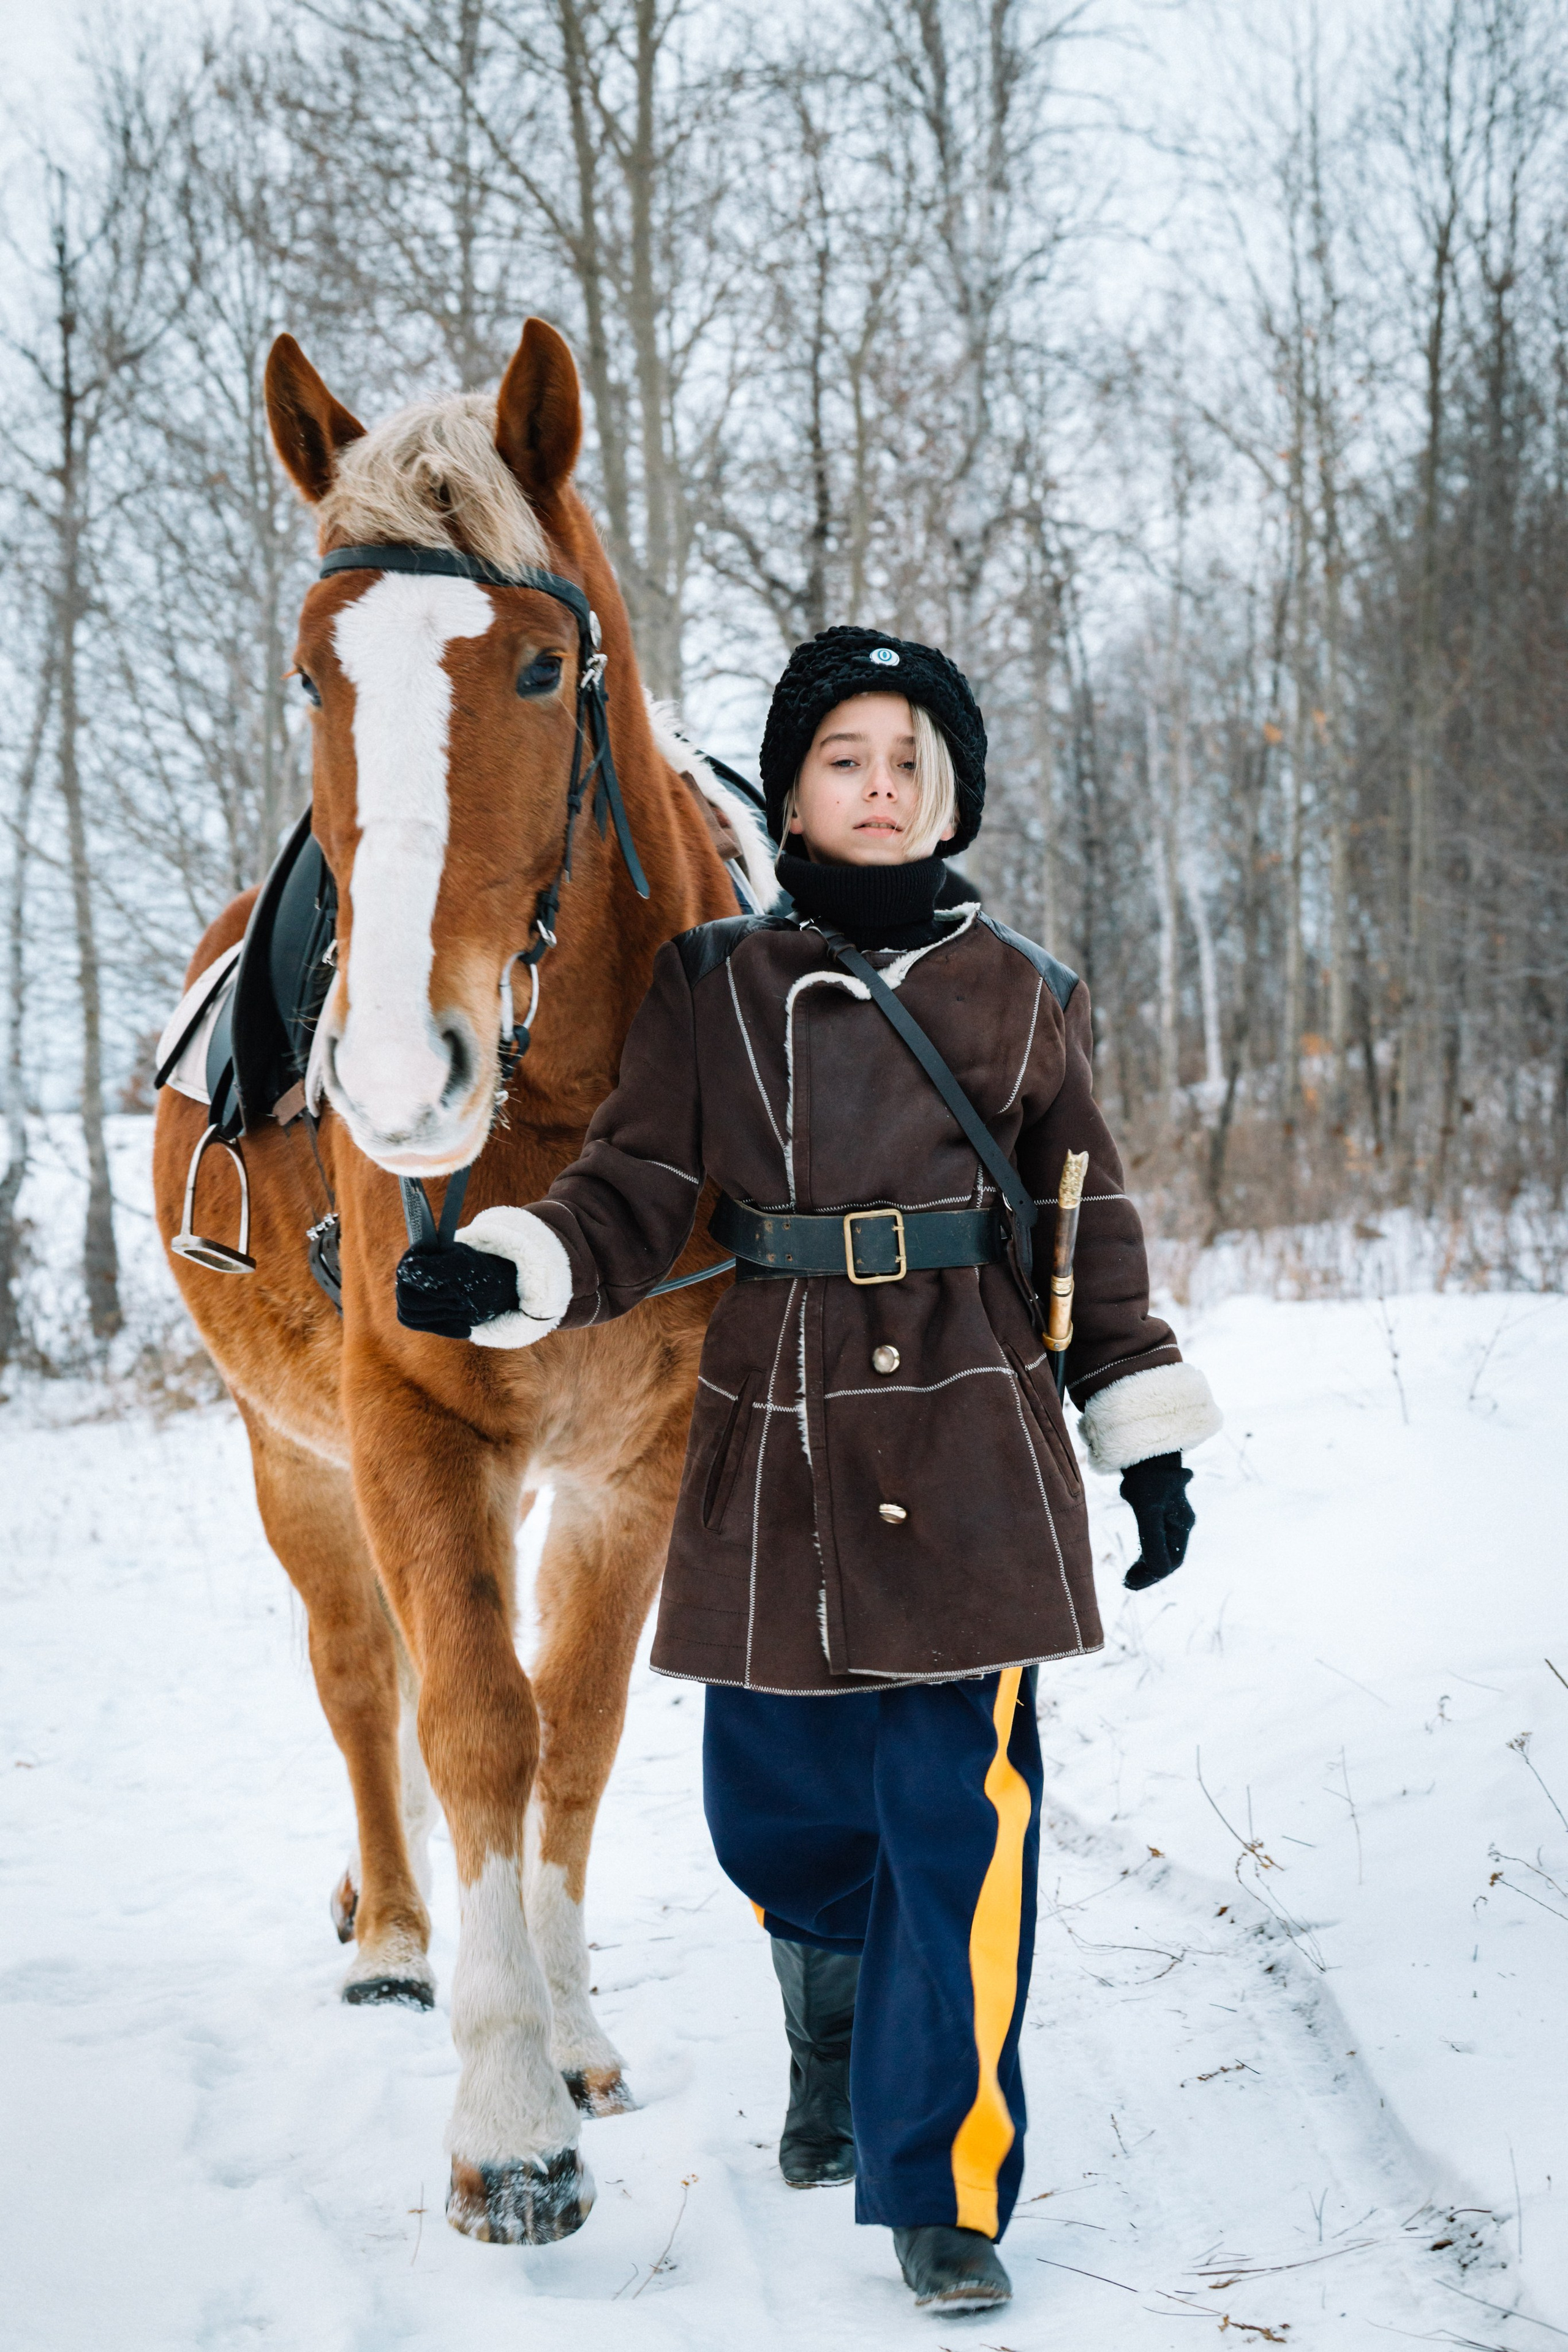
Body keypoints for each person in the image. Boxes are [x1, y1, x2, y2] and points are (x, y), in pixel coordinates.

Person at [396, 626, 1221, 2315]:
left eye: (914, 762)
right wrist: (515, 1269)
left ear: (953, 797)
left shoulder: (1027, 995)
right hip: (774, 1426)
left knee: (958, 1822)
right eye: (849, 757)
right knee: (771, 1806)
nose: (885, 785)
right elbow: (631, 1191)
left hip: (973, 1430)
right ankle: (829, 2035)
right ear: (793, 788)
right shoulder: (715, 985)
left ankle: (943, 2187)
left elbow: (1092, 1226)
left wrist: (1137, 1436)